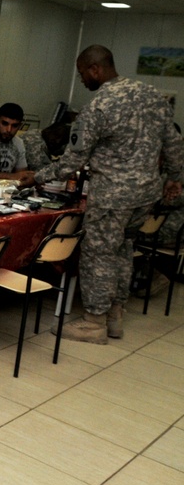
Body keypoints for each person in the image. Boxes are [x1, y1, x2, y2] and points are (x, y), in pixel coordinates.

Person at [33, 45, 183, 344]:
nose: (82, 80)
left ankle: (94, 322)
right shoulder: (153, 96)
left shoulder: (99, 106)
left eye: (82, 74)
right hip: (146, 195)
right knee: (123, 249)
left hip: (113, 195)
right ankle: (115, 316)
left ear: (95, 69)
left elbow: (73, 160)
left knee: (99, 253)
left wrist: (37, 177)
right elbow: (175, 144)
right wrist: (176, 178)